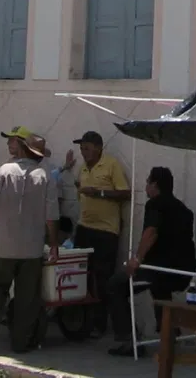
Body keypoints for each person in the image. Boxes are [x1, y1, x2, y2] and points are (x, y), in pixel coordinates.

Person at [0, 128, 60, 352]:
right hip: (32, 249)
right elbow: (52, 216)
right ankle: (20, 344)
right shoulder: (46, 176)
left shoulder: (4, 171)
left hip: (3, 245)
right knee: (27, 299)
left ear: (22, 148)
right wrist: (53, 245)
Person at [107, 166, 196, 356]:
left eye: (147, 181)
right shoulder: (184, 210)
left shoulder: (155, 204)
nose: (145, 185)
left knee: (116, 285)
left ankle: (128, 339)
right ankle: (169, 330)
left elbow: (151, 232)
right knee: (160, 288)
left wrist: (137, 259)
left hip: (159, 270)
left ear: (154, 185)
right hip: (182, 271)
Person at [65, 129, 130, 335]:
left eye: (87, 148)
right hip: (85, 227)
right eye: (81, 148)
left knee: (103, 277)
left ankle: (101, 324)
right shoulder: (83, 169)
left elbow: (125, 193)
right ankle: (82, 320)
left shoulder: (111, 164)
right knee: (81, 275)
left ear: (99, 148)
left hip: (105, 231)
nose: (83, 152)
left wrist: (99, 192)